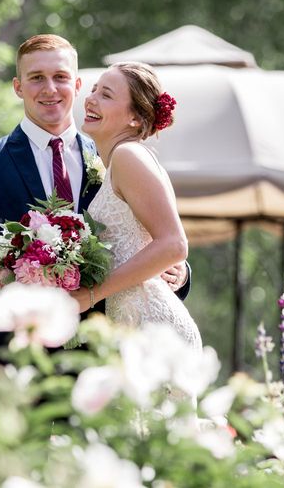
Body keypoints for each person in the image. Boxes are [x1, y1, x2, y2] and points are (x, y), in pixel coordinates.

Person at [0, 35, 190, 371]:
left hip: (106, 356)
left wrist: (179, 274)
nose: (50, 89)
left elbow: (156, 238)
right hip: (20, 362)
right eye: (36, 78)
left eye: (60, 77)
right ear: (18, 87)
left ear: (76, 84)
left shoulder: (111, 155)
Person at [70, 62, 201, 350]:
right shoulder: (117, 161)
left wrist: (90, 294)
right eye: (93, 90)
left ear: (134, 118)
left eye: (106, 94)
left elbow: (175, 245)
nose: (91, 99)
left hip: (152, 329)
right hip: (130, 328)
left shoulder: (129, 156)